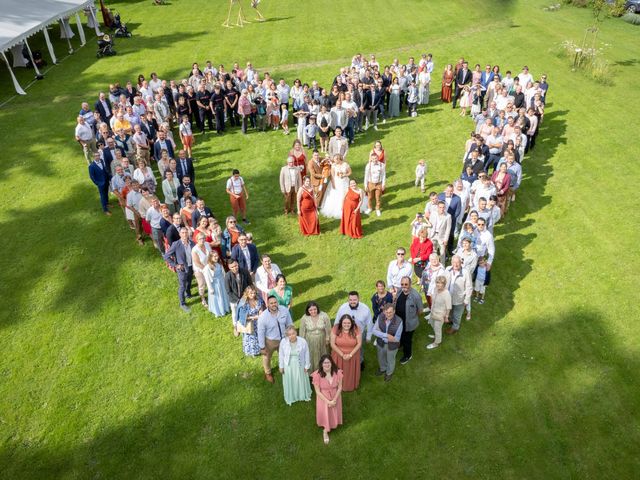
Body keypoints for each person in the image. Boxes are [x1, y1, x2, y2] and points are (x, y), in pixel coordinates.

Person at [258, 295, 293, 383]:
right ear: (267, 304)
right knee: (267, 357)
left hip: (284, 339)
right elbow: (260, 333)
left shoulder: (284, 310)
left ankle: (285, 368)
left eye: (275, 302)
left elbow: (289, 323)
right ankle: (268, 373)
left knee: (285, 355)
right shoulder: (263, 317)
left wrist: (291, 335)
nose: (274, 304)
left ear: (277, 302)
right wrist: (262, 347)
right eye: (271, 303)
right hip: (270, 341)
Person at [311, 355, 343, 445]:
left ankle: (333, 423)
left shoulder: (338, 372)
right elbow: (317, 392)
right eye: (324, 363)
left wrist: (334, 399)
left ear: (331, 363)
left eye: (328, 362)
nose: (327, 364)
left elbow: (340, 387)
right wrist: (328, 401)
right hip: (323, 399)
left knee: (334, 411)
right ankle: (325, 431)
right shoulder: (317, 375)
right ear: (321, 364)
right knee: (325, 413)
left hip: (335, 396)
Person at [163, 227, 195, 313]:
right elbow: (166, 256)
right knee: (182, 286)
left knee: (189, 281)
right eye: (183, 233)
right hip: (182, 269)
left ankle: (188, 294)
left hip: (191, 267)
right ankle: (182, 303)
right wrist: (175, 265)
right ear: (180, 234)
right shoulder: (176, 244)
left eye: (186, 232)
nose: (185, 234)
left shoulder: (192, 243)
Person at [395, 276, 424, 364]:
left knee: (407, 340)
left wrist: (412, 317)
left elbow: (420, 311)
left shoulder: (416, 296)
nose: (404, 286)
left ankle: (408, 355)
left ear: (410, 284)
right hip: (399, 321)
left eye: (406, 284)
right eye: (402, 284)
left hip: (409, 323)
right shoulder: (400, 291)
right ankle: (402, 345)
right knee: (401, 335)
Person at [299, 301, 332, 376]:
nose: (313, 311)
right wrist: (302, 344)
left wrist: (327, 338)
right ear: (308, 310)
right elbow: (302, 331)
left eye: (315, 309)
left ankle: (323, 372)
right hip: (310, 341)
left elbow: (328, 328)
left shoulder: (324, 315)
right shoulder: (304, 318)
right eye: (310, 310)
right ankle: (312, 374)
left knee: (323, 356)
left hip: (322, 340)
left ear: (317, 309)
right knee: (311, 357)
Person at [372, 304, 403, 382]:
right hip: (380, 343)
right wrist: (386, 335)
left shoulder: (399, 321)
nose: (388, 314)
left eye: (390, 312)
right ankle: (383, 369)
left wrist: (380, 334)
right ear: (383, 312)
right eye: (386, 312)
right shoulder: (380, 317)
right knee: (380, 357)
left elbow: (396, 339)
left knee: (390, 360)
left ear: (394, 311)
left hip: (392, 345)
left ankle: (389, 373)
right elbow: (374, 331)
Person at [330, 314, 362, 392]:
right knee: (337, 371)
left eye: (348, 323)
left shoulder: (356, 328)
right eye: (344, 323)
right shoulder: (335, 328)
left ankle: (349, 385)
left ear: (351, 323)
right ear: (341, 323)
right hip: (338, 354)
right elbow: (332, 344)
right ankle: (337, 385)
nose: (346, 325)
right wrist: (342, 354)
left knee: (349, 372)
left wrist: (350, 355)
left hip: (353, 354)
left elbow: (359, 344)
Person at [445, 255, 473, 335]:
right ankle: (451, 320)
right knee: (450, 310)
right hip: (448, 297)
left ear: (461, 263)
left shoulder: (465, 272)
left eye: (458, 262)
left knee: (457, 314)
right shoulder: (447, 269)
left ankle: (455, 327)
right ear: (451, 262)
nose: (456, 264)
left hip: (459, 299)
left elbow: (469, 287)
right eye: (454, 262)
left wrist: (466, 299)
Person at [225, 259, 253, 335]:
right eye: (232, 267)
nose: (235, 268)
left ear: (238, 264)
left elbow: (250, 284)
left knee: (246, 311)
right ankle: (235, 327)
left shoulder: (245, 271)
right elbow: (228, 291)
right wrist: (238, 300)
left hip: (245, 297)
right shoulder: (227, 276)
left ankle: (246, 324)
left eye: (236, 265)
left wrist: (247, 295)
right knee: (234, 313)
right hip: (234, 300)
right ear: (229, 267)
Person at [320, 154, 351, 219]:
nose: (335, 160)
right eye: (334, 159)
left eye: (336, 159)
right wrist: (333, 184)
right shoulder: (333, 165)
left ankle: (347, 207)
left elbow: (350, 172)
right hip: (336, 182)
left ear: (339, 158)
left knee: (345, 194)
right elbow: (332, 176)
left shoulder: (345, 164)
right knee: (336, 195)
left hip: (344, 182)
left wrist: (345, 175)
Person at [236, 285, 264, 356]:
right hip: (248, 323)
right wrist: (254, 317)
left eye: (254, 293)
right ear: (247, 293)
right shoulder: (243, 303)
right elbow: (242, 317)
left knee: (259, 336)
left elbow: (261, 307)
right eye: (251, 293)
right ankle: (251, 352)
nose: (253, 295)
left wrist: (260, 312)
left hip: (258, 323)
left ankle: (259, 349)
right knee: (251, 338)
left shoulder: (258, 299)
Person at [202, 250, 230, 318]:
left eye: (217, 256)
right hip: (215, 284)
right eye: (214, 256)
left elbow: (223, 273)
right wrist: (211, 289)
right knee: (218, 296)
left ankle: (225, 307)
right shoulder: (207, 268)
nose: (216, 257)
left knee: (223, 295)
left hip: (221, 282)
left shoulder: (219, 264)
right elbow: (207, 280)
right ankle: (219, 310)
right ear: (210, 257)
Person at [426, 276, 451, 350]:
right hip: (433, 312)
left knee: (437, 328)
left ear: (444, 284)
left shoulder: (446, 294)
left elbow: (448, 307)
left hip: (440, 315)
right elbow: (433, 301)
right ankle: (436, 335)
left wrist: (446, 317)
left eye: (441, 283)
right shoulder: (435, 289)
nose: (438, 285)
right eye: (437, 282)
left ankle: (436, 343)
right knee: (432, 324)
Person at [191, 232, 212, 308]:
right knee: (202, 284)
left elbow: (211, 255)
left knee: (210, 281)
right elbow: (197, 263)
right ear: (197, 240)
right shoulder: (194, 250)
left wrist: (211, 265)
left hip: (208, 266)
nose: (202, 240)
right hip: (199, 269)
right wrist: (206, 270)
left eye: (203, 238)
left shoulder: (207, 244)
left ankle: (212, 297)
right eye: (200, 239)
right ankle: (203, 299)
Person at [363, 152, 386, 216]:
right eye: (373, 159)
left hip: (379, 183)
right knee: (370, 197)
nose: (375, 160)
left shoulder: (382, 165)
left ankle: (377, 209)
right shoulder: (368, 165)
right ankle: (370, 208)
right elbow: (366, 176)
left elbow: (384, 175)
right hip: (370, 183)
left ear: (378, 158)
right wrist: (365, 185)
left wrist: (383, 184)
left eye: (376, 158)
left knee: (378, 197)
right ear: (371, 159)